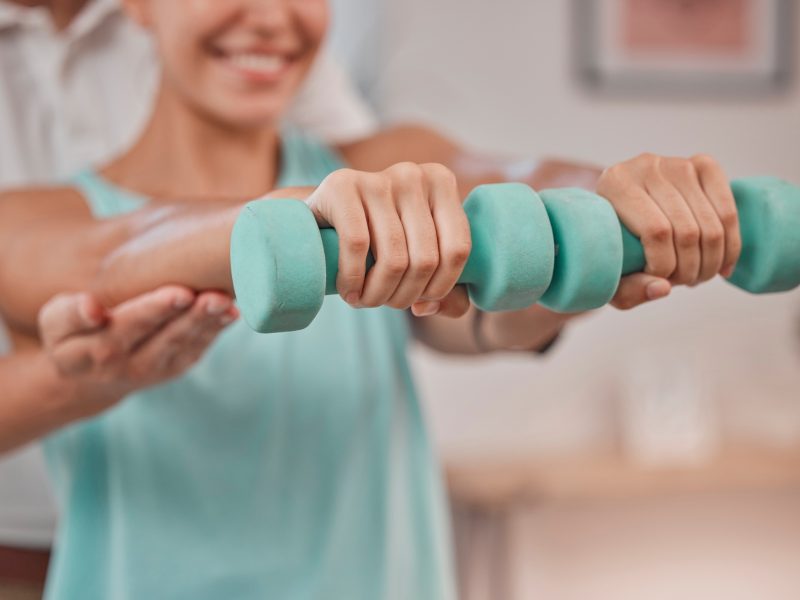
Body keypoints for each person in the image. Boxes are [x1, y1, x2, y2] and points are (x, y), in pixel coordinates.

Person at [0, 1, 740, 598]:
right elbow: (106, 262)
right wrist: (285, 216)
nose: (269, 15)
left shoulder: (381, 168)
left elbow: (516, 189)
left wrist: (611, 205)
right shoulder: (37, 214)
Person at [0, 0, 384, 589]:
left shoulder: (296, 94)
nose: (269, 16)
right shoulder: (37, 222)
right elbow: (93, 252)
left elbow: (363, 164)